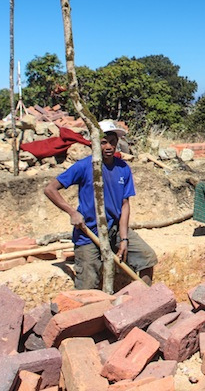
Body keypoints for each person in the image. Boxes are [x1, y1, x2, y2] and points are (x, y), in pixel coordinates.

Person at [43, 119, 157, 289]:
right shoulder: (83, 166)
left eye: (112, 142)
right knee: (88, 284)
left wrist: (124, 238)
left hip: (115, 230)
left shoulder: (123, 168)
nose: (109, 147)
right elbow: (50, 189)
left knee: (147, 257)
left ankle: (142, 300)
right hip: (89, 233)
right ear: (95, 143)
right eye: (103, 143)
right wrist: (72, 212)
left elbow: (125, 204)